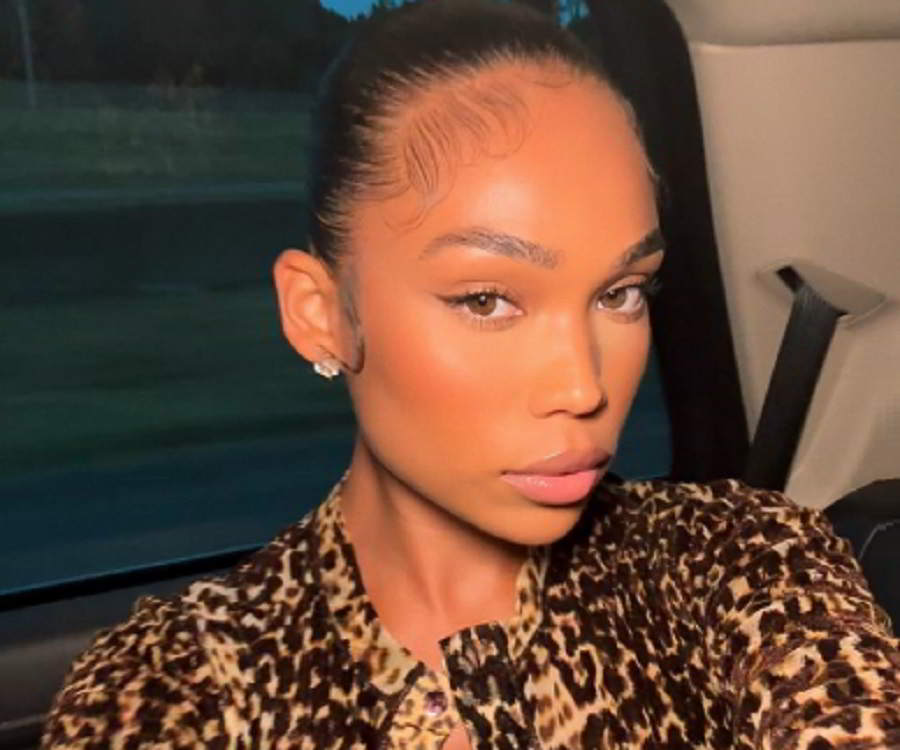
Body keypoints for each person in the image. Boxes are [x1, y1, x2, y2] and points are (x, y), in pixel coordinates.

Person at [43, 1, 900, 748]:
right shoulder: (176, 684)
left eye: (621, 293)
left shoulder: (743, 560)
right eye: (487, 299)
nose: (583, 387)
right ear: (320, 312)